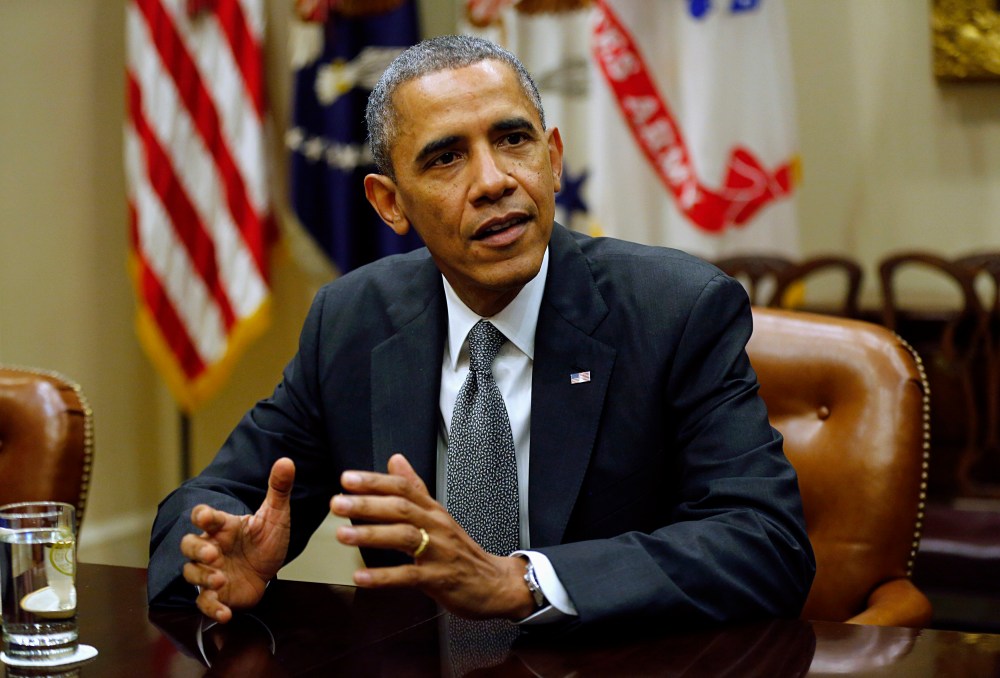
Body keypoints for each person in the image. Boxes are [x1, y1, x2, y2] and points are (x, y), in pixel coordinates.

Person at [148, 34, 815, 630]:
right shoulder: (352, 320)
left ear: (553, 160)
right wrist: (214, 554)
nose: (494, 181)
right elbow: (215, 496)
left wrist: (520, 581)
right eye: (445, 159)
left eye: (513, 140)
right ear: (389, 202)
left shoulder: (677, 311)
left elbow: (765, 542)